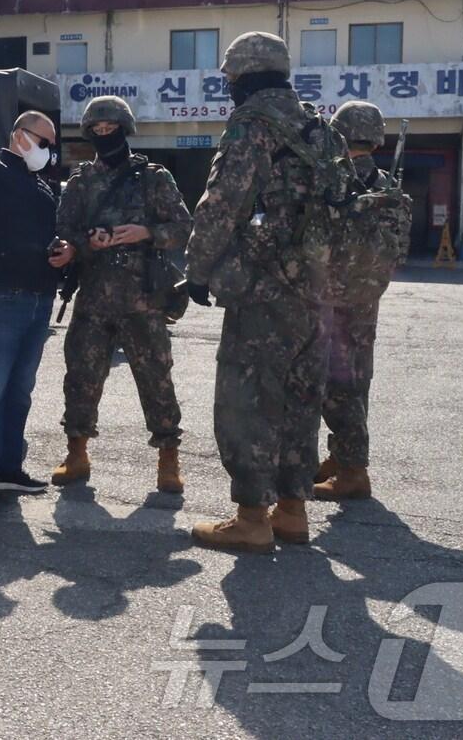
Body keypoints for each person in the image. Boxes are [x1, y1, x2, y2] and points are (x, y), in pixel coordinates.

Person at [185, 31, 329, 552]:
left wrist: (197, 270)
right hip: (315, 287)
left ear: (242, 75)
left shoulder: (252, 125)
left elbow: (223, 202)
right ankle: (292, 511)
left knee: (247, 398)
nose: (229, 87)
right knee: (299, 395)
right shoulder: (317, 125)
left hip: (263, 287)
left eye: (230, 78)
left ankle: (251, 517)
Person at [50, 96, 193, 493]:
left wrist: (146, 232)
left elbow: (183, 226)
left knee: (156, 379)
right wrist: (85, 243)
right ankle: (76, 453)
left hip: (143, 298)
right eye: (96, 131)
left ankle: (168, 459)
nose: (103, 135)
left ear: (124, 130)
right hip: (94, 297)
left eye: (110, 129)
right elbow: (64, 230)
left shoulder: (153, 178)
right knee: (81, 376)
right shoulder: (80, 182)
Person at [0, 110, 72, 509]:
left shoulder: (41, 185)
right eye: (44, 142)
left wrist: (61, 253)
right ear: (21, 137)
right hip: (5, 297)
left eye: (52, 146)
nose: (49, 152)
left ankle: (8, 470)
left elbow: (50, 233)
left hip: (40, 298)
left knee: (20, 392)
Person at [314, 101, 412, 501]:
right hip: (367, 296)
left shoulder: (331, 180)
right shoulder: (390, 186)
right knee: (357, 378)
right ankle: (342, 457)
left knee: (332, 382)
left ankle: (354, 470)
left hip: (327, 295)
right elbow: (399, 252)